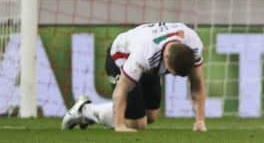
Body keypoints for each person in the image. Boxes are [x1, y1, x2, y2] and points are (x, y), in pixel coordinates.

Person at [61, 21, 206, 132]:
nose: (172, 76)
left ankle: (118, 114)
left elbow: (197, 82)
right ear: (166, 59)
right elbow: (122, 88)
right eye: (171, 72)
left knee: (151, 116)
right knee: (137, 124)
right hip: (120, 59)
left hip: (149, 67)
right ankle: (85, 110)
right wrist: (119, 125)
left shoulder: (193, 43)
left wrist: (200, 121)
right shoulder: (144, 53)